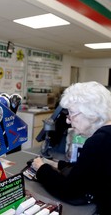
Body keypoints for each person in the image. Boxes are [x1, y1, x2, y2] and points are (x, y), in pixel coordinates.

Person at [31, 81, 111, 215]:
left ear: (91, 113)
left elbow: (70, 191)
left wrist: (41, 168)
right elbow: (89, 172)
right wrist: (58, 165)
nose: (68, 121)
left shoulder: (99, 141)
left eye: (72, 113)